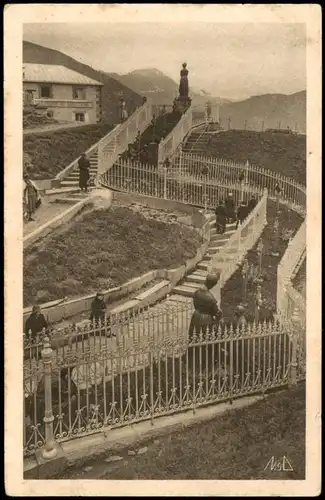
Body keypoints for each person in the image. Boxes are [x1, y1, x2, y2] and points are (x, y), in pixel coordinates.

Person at [188, 274, 222, 343]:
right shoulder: (211, 298)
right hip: (206, 319)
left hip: (196, 316)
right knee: (205, 337)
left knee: (193, 336)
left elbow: (195, 304)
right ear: (213, 284)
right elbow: (215, 312)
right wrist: (219, 313)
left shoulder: (197, 292)